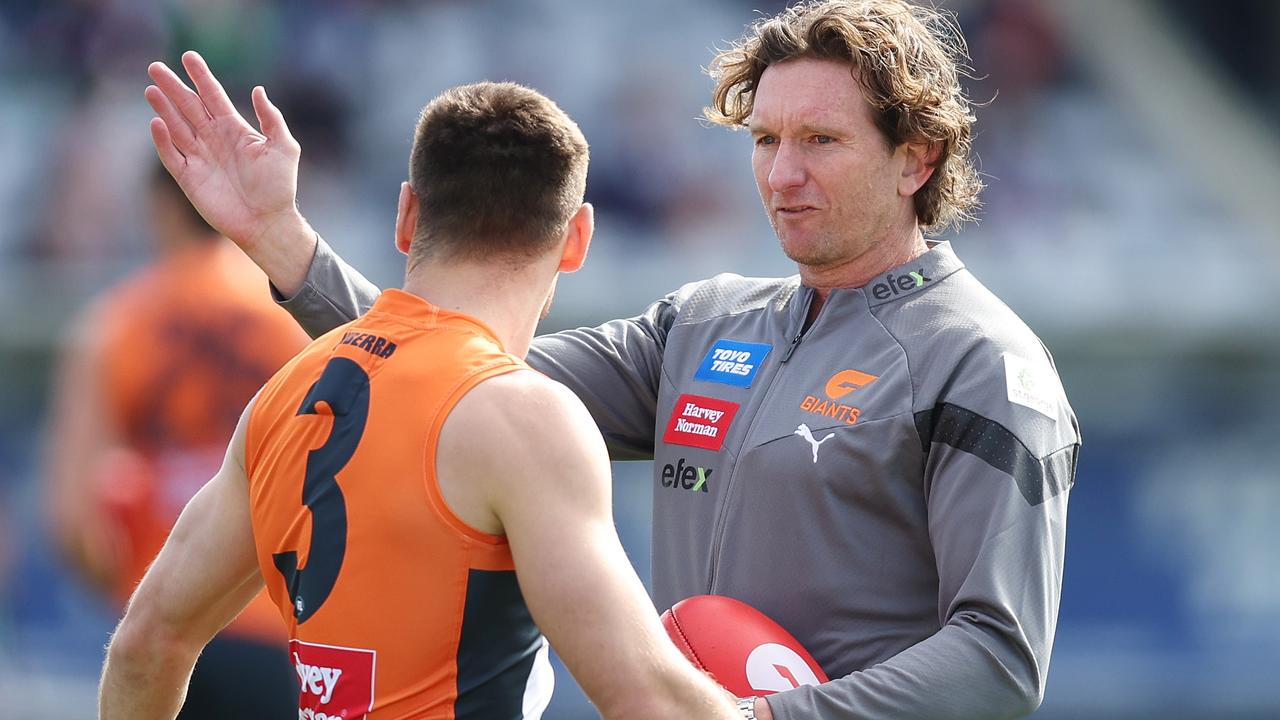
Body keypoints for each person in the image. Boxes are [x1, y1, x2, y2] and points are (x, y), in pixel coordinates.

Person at [160, 2, 1081, 718]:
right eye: (765, 140)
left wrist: (757, 716)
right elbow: (439, 373)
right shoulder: (704, 326)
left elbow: (999, 658)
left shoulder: (984, 362)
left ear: (916, 159)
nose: (781, 174)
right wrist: (284, 244)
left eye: (822, 142)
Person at [100, 53, 739, 720]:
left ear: (406, 217)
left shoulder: (286, 393)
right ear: (577, 239)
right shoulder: (524, 416)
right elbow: (646, 697)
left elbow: (145, 644)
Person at [43, 162, 307, 718]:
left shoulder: (114, 325)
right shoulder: (294, 325)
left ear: (159, 205)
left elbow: (73, 520)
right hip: (272, 630)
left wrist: (127, 590)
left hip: (158, 631)